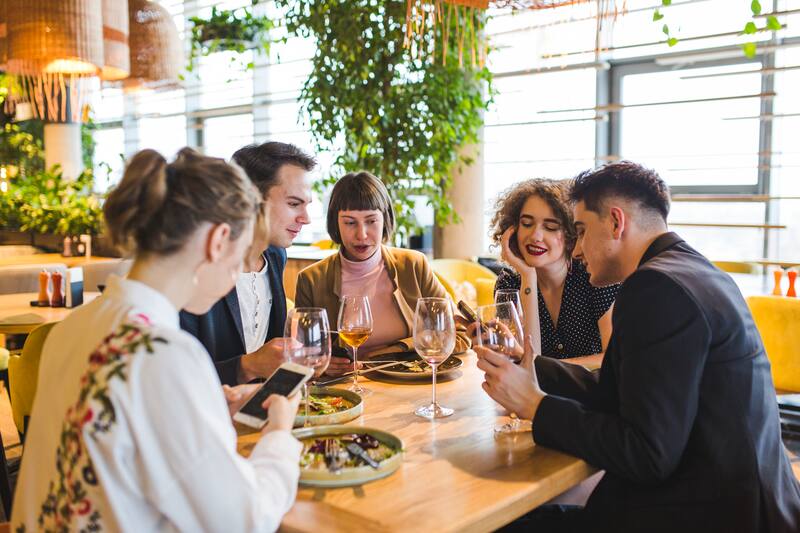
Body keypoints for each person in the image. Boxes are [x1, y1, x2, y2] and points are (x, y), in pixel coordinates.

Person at [477, 161, 800, 532]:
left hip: (711, 514)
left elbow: (647, 454)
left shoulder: (655, 289)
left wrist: (536, 405)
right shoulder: (696, 270)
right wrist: (531, 366)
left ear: (616, 222)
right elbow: (629, 393)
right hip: (745, 503)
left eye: (580, 232)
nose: (577, 250)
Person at [12, 148, 302, 532]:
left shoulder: (73, 327)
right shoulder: (165, 354)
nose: (237, 275)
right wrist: (280, 432)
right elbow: (244, 519)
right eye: (239, 257)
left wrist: (209, 407)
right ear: (217, 241)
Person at [295, 171, 470, 375]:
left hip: (409, 387)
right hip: (345, 391)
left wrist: (396, 349)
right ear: (335, 223)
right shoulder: (311, 280)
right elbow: (300, 355)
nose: (361, 234)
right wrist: (321, 366)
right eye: (350, 223)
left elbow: (458, 336)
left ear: (385, 219)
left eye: (371, 221)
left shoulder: (414, 265)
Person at [180, 142, 315, 385]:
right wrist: (246, 366)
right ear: (251, 198)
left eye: (307, 205)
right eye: (294, 204)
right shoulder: (199, 269)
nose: (306, 219)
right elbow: (173, 379)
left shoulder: (275, 256)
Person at [489, 178, 618, 367]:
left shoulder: (595, 276)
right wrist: (528, 277)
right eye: (526, 224)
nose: (535, 236)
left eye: (550, 227)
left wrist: (550, 369)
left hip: (588, 393)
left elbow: (612, 357)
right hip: (533, 395)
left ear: (571, 233)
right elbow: (525, 365)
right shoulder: (508, 284)